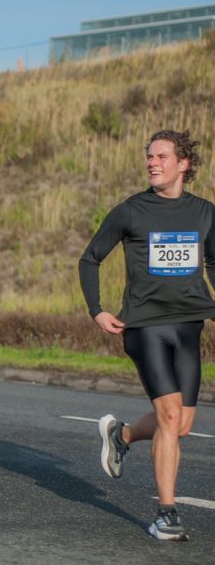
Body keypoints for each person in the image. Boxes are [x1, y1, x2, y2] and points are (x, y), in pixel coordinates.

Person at [79, 129, 213, 542]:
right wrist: (97, 310)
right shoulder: (131, 211)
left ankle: (121, 435)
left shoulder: (205, 213)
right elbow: (90, 258)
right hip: (145, 325)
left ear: (183, 164)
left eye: (161, 156)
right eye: (149, 156)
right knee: (170, 417)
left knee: (183, 423)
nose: (152, 162)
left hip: (189, 324)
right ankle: (166, 514)